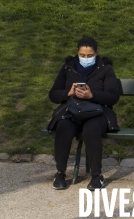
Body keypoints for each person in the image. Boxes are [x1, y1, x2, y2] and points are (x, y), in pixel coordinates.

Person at [48, 36, 120, 191]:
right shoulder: (68, 67)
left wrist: (92, 95)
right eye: (82, 55)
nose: (85, 58)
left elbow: (113, 96)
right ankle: (60, 172)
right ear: (77, 53)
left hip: (97, 112)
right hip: (72, 110)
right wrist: (68, 93)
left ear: (96, 53)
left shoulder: (105, 68)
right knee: (63, 127)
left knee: (91, 130)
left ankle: (96, 176)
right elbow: (53, 94)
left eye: (89, 56)